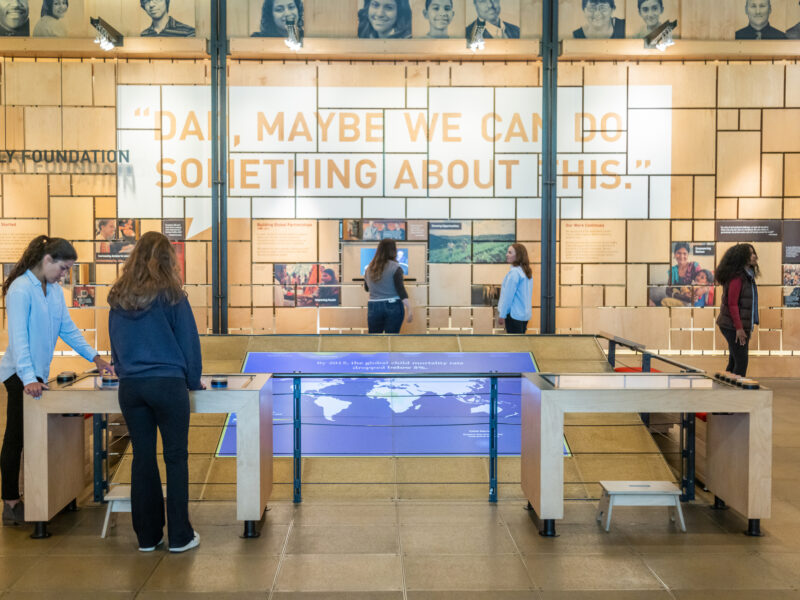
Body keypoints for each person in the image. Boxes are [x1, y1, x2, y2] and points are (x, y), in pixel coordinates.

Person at [0, 236, 113, 526]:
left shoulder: (52, 291)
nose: (65, 275)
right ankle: (11, 503)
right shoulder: (20, 289)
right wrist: (28, 378)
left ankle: (51, 496)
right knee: (17, 438)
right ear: (47, 259)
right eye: (63, 268)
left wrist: (96, 358)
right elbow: (19, 340)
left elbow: (68, 328)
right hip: (18, 375)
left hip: (37, 374)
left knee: (33, 437)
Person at [108, 232, 202, 552]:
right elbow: (189, 342)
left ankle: (147, 537)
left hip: (131, 388)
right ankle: (180, 536)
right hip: (167, 384)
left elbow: (115, 345)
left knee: (142, 459)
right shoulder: (172, 294)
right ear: (167, 259)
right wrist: (193, 380)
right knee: (175, 458)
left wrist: (124, 371)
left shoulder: (118, 296)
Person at [716, 243, 759, 377]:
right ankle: (736, 395)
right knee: (741, 364)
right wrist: (739, 329)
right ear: (742, 257)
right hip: (733, 326)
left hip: (735, 325)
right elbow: (732, 304)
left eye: (754, 253)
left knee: (734, 362)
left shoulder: (747, 276)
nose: (755, 256)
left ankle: (724, 391)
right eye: (751, 253)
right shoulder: (738, 277)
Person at [364, 239, 413, 333]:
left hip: (374, 306)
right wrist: (409, 309)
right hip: (393, 305)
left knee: (374, 340)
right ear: (393, 250)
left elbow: (367, 288)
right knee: (392, 340)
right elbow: (400, 290)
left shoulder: (369, 268)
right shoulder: (396, 267)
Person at [497, 243, 533, 334]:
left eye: (510, 252)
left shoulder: (514, 273)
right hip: (524, 316)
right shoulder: (526, 272)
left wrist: (502, 315)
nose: (506, 254)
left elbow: (508, 297)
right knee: (521, 344)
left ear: (518, 256)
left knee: (515, 346)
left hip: (514, 316)